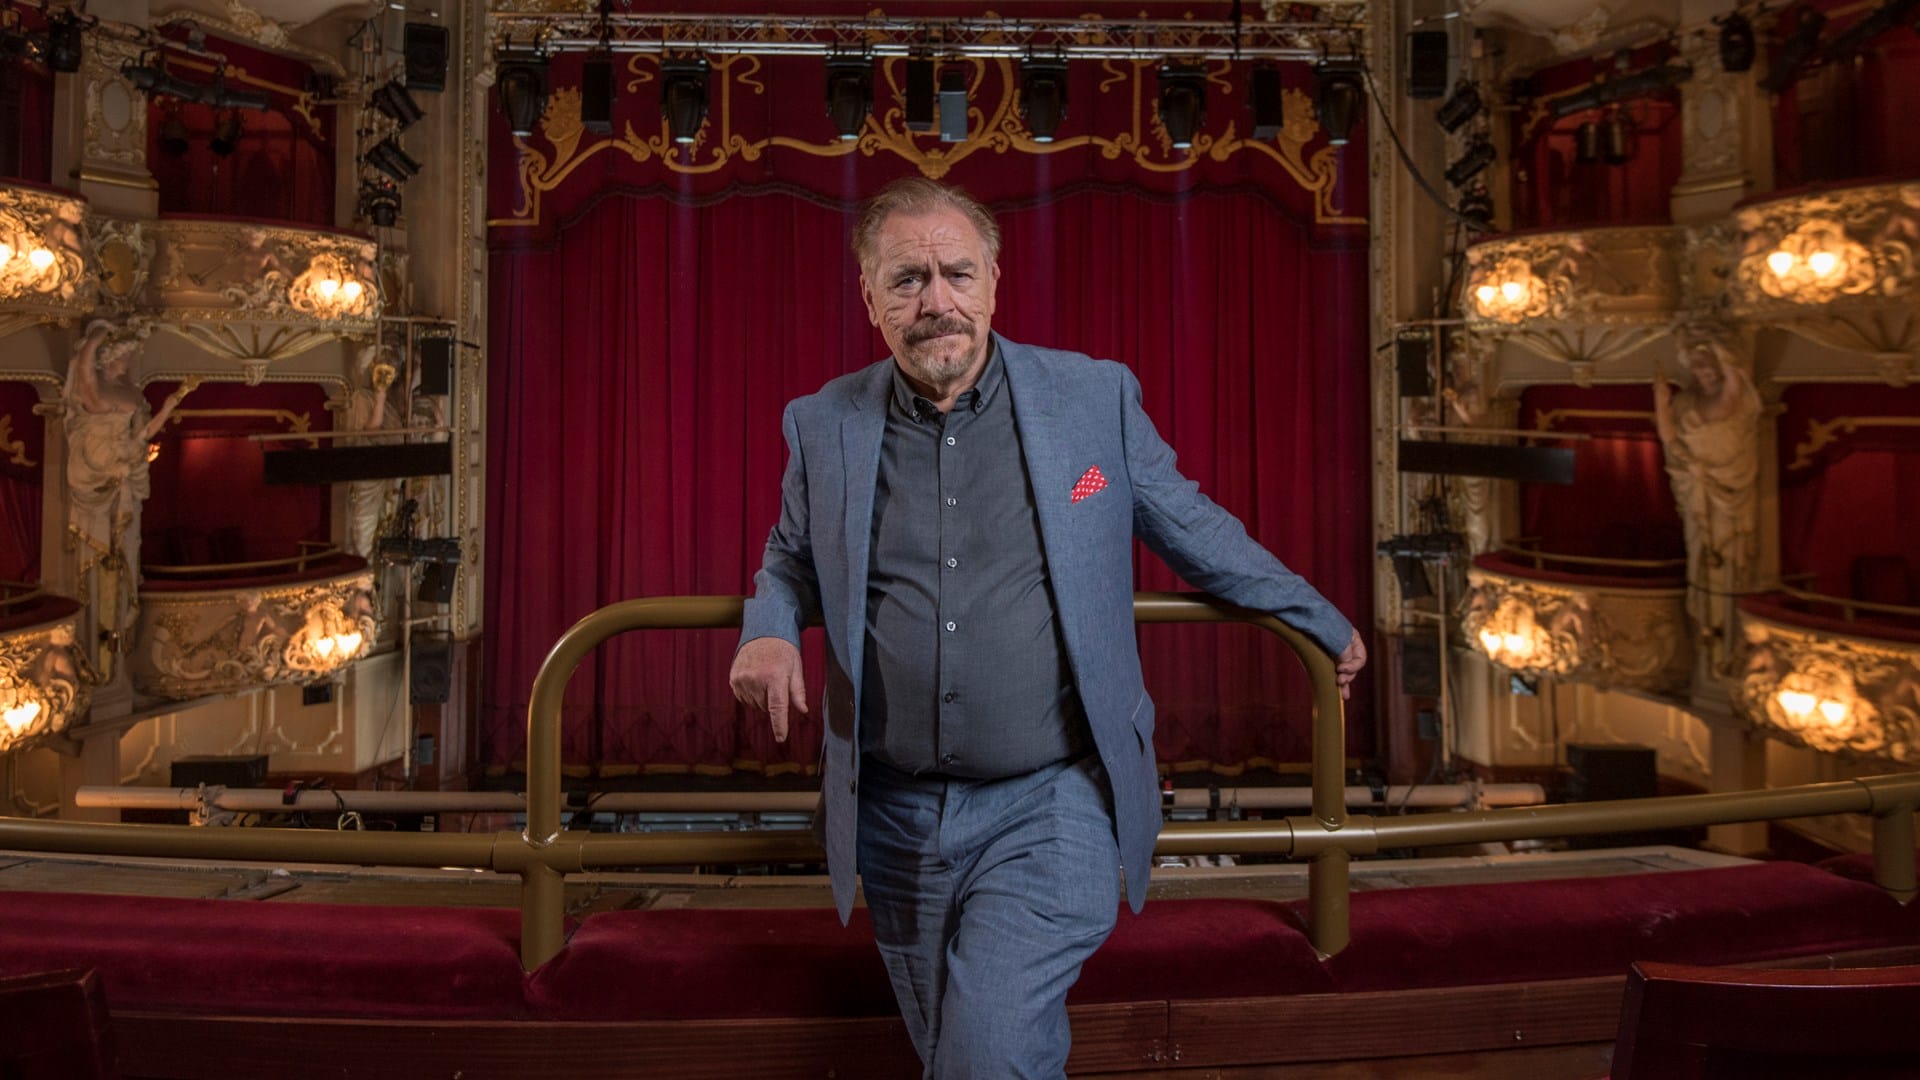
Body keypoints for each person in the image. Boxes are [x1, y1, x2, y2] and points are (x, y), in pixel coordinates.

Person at [729, 178, 1365, 1078]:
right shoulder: (823, 420)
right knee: (962, 1054)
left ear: (994, 279)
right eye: (909, 279)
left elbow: (1192, 526)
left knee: (985, 1051)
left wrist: (1320, 620)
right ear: (869, 297)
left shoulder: (1091, 400)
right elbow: (791, 555)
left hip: (1051, 801)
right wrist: (767, 627)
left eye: (957, 273)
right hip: (893, 813)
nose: (937, 301)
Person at [64, 319, 196, 675]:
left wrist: (168, 407)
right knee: (101, 549)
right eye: (125, 355)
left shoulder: (133, 393)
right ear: (109, 359)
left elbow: (142, 436)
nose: (130, 360)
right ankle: (96, 639)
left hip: (125, 472)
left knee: (126, 544)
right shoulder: (95, 389)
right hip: (98, 471)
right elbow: (84, 375)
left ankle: (115, 630)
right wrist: (94, 338)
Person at [1653, 338, 1761, 656]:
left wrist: (1718, 341)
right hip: (1695, 487)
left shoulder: (1732, 400)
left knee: (1730, 549)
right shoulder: (1686, 402)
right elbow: (1671, 440)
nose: (1703, 371)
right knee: (1699, 548)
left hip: (1728, 485)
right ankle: (1709, 628)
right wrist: (1661, 403)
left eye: (1708, 364)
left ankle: (1729, 633)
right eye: (1697, 365)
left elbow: (1733, 389)